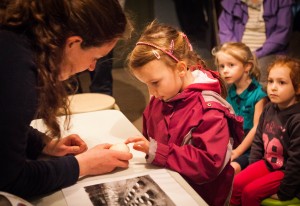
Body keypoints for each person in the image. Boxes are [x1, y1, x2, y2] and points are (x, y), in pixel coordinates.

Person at [0, 0, 133, 199]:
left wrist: (43, 144)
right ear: (73, 43)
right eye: (95, 57)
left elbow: (4, 125)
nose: (92, 68)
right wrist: (84, 165)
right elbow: (11, 179)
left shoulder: (18, 39)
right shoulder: (17, 73)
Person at [124, 21, 244, 206]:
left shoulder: (210, 111)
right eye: (145, 84)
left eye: (155, 82)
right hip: (168, 186)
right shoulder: (161, 97)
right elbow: (150, 135)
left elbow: (210, 164)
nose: (152, 92)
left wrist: (157, 151)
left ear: (180, 69)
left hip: (202, 197)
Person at [230, 56, 300, 206]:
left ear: (298, 88)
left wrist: (285, 192)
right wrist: (253, 167)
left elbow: (296, 162)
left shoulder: (297, 119)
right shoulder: (269, 108)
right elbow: (258, 141)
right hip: (267, 164)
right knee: (235, 184)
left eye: (281, 82)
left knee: (250, 192)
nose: (273, 87)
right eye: (270, 81)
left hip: (285, 171)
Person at [212, 42, 268, 174]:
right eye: (222, 66)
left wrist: (237, 152)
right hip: (232, 145)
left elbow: (256, 128)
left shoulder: (259, 94)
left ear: (247, 66)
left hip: (250, 149)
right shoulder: (228, 92)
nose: (225, 70)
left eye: (231, 65)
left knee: (231, 170)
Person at [218, 0, 294, 83]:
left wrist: (255, 54)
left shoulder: (280, 2)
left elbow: (282, 32)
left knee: (261, 69)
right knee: (227, 72)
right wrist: (236, 52)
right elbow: (225, 30)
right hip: (237, 53)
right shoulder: (232, 2)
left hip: (269, 52)